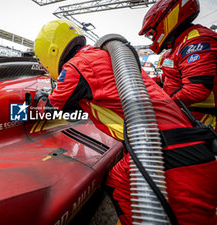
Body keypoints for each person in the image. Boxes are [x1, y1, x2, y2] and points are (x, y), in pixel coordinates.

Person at [34, 19, 217, 225]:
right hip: (187, 147)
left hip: (169, 157)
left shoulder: (76, 67)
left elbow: (49, 109)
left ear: (52, 50)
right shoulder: (104, 57)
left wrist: (39, 98)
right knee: (116, 181)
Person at [138, 0, 217, 130]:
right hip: (184, 114)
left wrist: (161, 105)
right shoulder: (176, 46)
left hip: (205, 121)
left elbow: (196, 90)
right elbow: (171, 76)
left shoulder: (197, 41)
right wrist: (145, 82)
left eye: (152, 32)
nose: (151, 37)